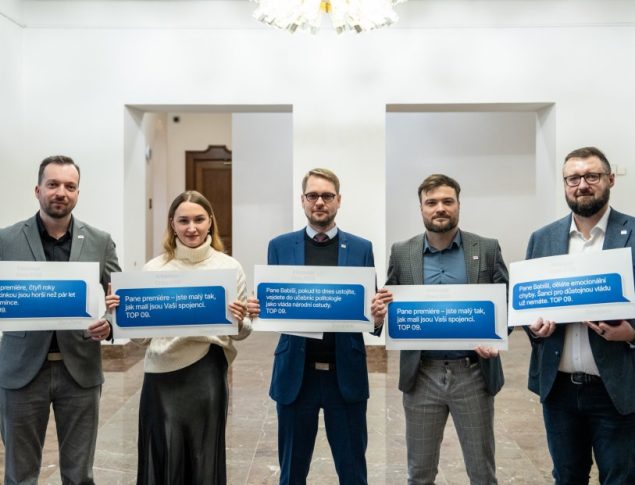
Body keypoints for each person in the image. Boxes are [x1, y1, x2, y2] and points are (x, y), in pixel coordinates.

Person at [371, 174, 508, 485]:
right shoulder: (402, 252)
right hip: (421, 374)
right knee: (419, 474)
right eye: (431, 202)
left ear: (458, 204)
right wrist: (379, 315)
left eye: (447, 201)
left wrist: (498, 340)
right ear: (421, 208)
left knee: (482, 474)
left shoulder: (486, 248)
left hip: (473, 373)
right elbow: (391, 305)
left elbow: (506, 302)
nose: (440, 208)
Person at [106, 190, 250, 484]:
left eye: (199, 219)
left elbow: (242, 331)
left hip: (207, 373)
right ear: (172, 224)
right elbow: (142, 340)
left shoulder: (229, 267)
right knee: (163, 455)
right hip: (160, 375)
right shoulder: (154, 268)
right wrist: (119, 316)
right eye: (183, 221)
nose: (191, 228)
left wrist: (239, 320)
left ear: (210, 222)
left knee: (203, 456)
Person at [246, 168, 377, 485]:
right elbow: (274, 304)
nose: (320, 202)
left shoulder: (361, 248)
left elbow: (371, 313)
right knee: (291, 473)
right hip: (296, 374)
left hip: (344, 374)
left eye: (327, 196)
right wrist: (259, 308)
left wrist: (379, 314)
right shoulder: (280, 246)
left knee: (353, 473)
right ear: (302, 200)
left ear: (339, 200)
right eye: (313, 195)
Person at [0, 155, 120, 484]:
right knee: (19, 475)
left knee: (79, 475)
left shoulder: (100, 241)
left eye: (70, 186)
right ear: (38, 190)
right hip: (21, 372)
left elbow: (120, 299)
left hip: (80, 372)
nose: (61, 192)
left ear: (78, 193)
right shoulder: (6, 240)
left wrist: (109, 323)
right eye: (53, 184)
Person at [525, 146, 635, 484]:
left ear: (610, 179)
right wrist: (535, 329)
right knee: (567, 477)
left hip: (616, 388)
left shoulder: (632, 232)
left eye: (592, 176)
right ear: (565, 184)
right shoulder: (542, 239)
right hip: (559, 390)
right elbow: (528, 307)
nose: (582, 185)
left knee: (620, 477)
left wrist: (632, 333)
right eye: (573, 178)